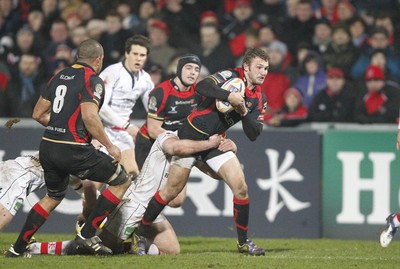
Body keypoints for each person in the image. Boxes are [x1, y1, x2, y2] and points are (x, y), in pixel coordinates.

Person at [134, 47, 269, 256]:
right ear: (246, 67)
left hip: (215, 142)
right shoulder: (230, 76)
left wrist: (242, 111)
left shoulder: (259, 98)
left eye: (266, 68)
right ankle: (140, 234)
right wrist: (228, 96)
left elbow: (254, 133)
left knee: (240, 186)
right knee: (172, 192)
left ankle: (243, 242)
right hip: (190, 136)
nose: (263, 72)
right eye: (259, 67)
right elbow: (202, 86)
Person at [5, 39, 131, 258]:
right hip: (74, 149)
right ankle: (87, 236)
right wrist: (110, 146)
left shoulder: (59, 76)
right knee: (121, 181)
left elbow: (37, 114)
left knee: (53, 196)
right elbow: (90, 116)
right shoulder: (93, 80)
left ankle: (16, 249)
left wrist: (59, 126)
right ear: (98, 59)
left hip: (48, 147)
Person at [27, 132, 235, 256]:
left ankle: (130, 244)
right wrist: (209, 143)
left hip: (152, 211)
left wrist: (230, 151)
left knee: (172, 250)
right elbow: (178, 148)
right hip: (134, 205)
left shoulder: (195, 148)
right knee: (92, 249)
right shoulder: (168, 137)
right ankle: (35, 248)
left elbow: (216, 173)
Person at [98, 35, 154, 179]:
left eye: (142, 55)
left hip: (122, 134)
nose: (138, 58)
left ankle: (116, 201)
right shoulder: (112, 73)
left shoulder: (146, 79)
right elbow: (101, 108)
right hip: (100, 132)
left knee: (132, 176)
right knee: (94, 184)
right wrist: (127, 126)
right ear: (126, 54)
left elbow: (153, 110)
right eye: (135, 54)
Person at [135, 54, 202, 170]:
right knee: (150, 187)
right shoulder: (161, 92)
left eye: (197, 69)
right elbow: (153, 130)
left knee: (178, 187)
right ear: (179, 69)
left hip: (176, 144)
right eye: (188, 68)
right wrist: (180, 143)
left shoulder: (199, 92)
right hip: (149, 144)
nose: (193, 72)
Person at [0, 153, 84, 233]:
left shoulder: (64, 148)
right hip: (20, 176)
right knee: (4, 214)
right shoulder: (78, 157)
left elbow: (76, 182)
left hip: (10, 165)